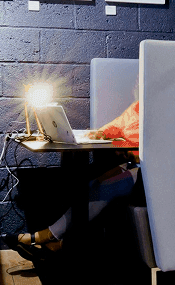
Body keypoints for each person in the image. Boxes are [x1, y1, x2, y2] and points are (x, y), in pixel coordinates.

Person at [12, 100, 142, 260]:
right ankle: (63, 242)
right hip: (132, 167)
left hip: (148, 175)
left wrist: (130, 153)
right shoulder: (137, 107)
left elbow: (156, 151)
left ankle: (48, 237)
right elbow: (114, 128)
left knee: (104, 188)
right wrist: (96, 134)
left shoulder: (160, 111)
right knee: (92, 184)